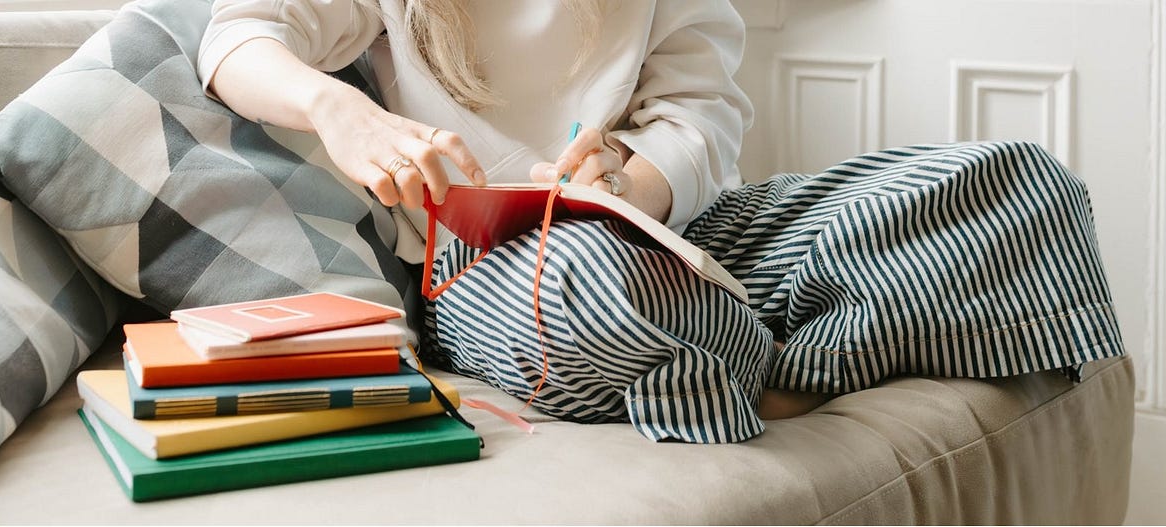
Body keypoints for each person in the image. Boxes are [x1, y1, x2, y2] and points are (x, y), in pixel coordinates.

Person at [197, 0, 1125, 443]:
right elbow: (236, 36)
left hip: (680, 231)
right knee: (605, 282)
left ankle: (765, 365)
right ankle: (761, 344)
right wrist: (340, 111)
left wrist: (632, 183)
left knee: (1018, 182)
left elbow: (701, 113)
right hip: (500, 267)